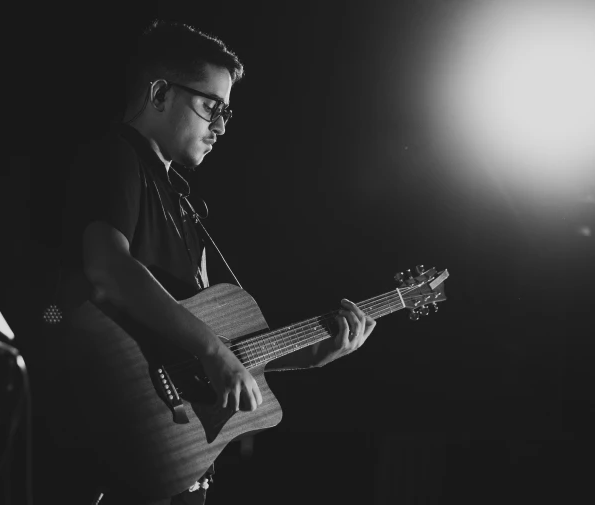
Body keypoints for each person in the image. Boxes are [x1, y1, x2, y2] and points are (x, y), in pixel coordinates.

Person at [42, 20, 376, 505]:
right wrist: (212, 350)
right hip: (120, 453)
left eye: (226, 112)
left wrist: (314, 353)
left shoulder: (183, 203)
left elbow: (216, 353)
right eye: (210, 106)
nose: (220, 126)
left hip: (180, 464)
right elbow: (108, 267)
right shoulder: (118, 157)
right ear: (159, 93)